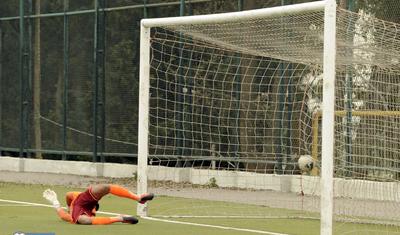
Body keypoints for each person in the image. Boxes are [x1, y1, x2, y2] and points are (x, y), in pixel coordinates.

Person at [43, 184, 154, 225]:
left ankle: (138, 198)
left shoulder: (77, 201)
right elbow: (67, 197)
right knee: (83, 220)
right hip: (82, 208)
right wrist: (67, 207)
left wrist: (56, 202)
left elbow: (63, 212)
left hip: (83, 200)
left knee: (104, 187)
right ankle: (120, 218)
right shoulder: (79, 216)